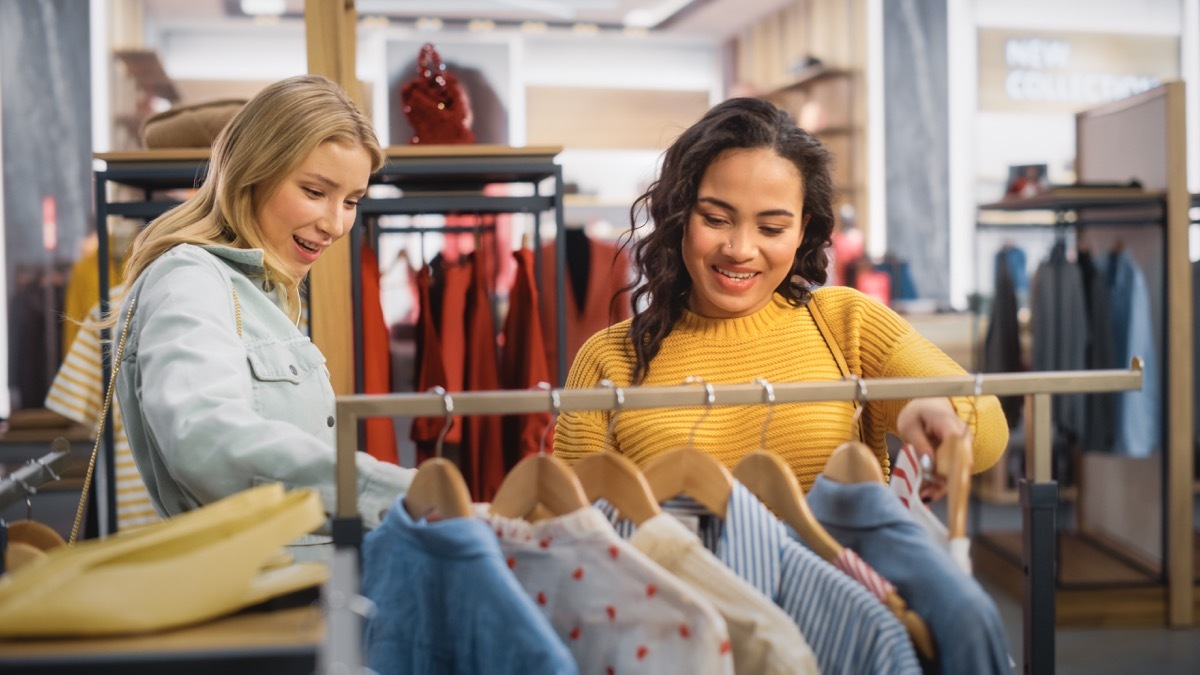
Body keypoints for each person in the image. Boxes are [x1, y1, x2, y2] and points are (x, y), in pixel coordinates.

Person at [553, 97, 1008, 497]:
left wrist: (935, 409)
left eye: (771, 228)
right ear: (679, 215)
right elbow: (574, 529)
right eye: (715, 219)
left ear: (803, 230)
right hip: (680, 595)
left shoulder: (846, 323)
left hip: (835, 594)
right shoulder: (610, 359)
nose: (740, 249)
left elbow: (987, 437)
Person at [106, 75, 413, 552]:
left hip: (298, 592)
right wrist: (400, 494)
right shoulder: (190, 277)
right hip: (249, 599)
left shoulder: (261, 291)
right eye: (315, 191)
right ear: (254, 170)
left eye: (351, 201)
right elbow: (203, 439)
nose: (335, 224)